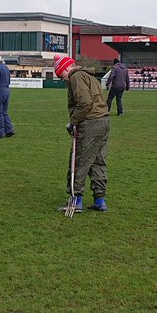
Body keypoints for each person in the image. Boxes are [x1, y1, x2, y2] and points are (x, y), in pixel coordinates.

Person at [53, 53, 109, 212]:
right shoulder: (90, 76)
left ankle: (75, 199)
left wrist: (73, 122)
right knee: (98, 161)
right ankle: (100, 200)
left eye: (61, 74)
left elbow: (84, 103)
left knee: (78, 160)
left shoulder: (76, 78)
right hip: (103, 121)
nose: (63, 79)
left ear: (66, 69)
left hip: (90, 123)